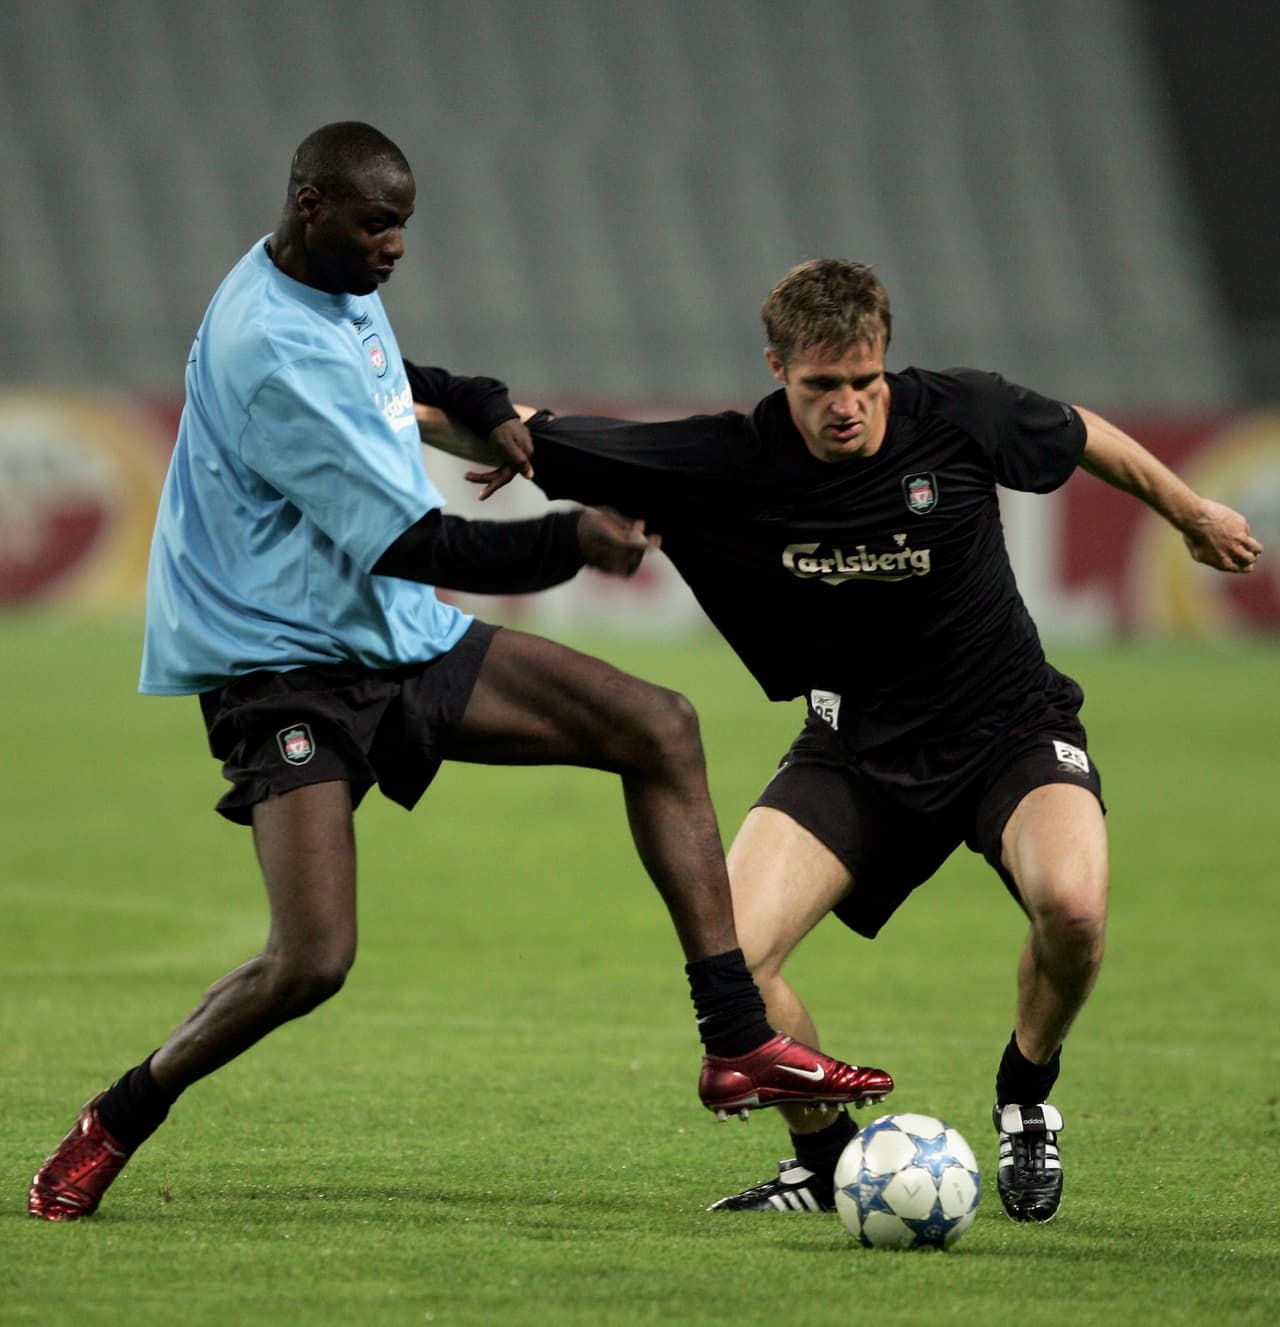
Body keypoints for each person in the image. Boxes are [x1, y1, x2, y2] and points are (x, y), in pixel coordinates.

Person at [26, 137, 893, 1223]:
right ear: (309, 206)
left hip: (391, 640)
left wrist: (484, 402)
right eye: (376, 225)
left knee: (657, 725)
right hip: (284, 668)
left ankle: (734, 1037)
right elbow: (418, 546)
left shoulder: (325, 277)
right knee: (310, 959)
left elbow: (403, 380)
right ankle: (118, 1117)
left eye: (404, 225)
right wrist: (572, 538)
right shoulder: (270, 352)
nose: (395, 248)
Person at [412, 257, 1263, 1224]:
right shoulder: (730, 457)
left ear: (886, 362)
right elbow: (528, 431)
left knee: (1072, 908)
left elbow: (1078, 435)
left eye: (866, 380)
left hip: (1010, 727)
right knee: (734, 952)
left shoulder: (961, 412)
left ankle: (1026, 1096)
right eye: (823, 386)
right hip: (853, 747)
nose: (850, 404)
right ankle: (823, 1160)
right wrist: (378, 398)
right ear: (778, 368)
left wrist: (1189, 510)